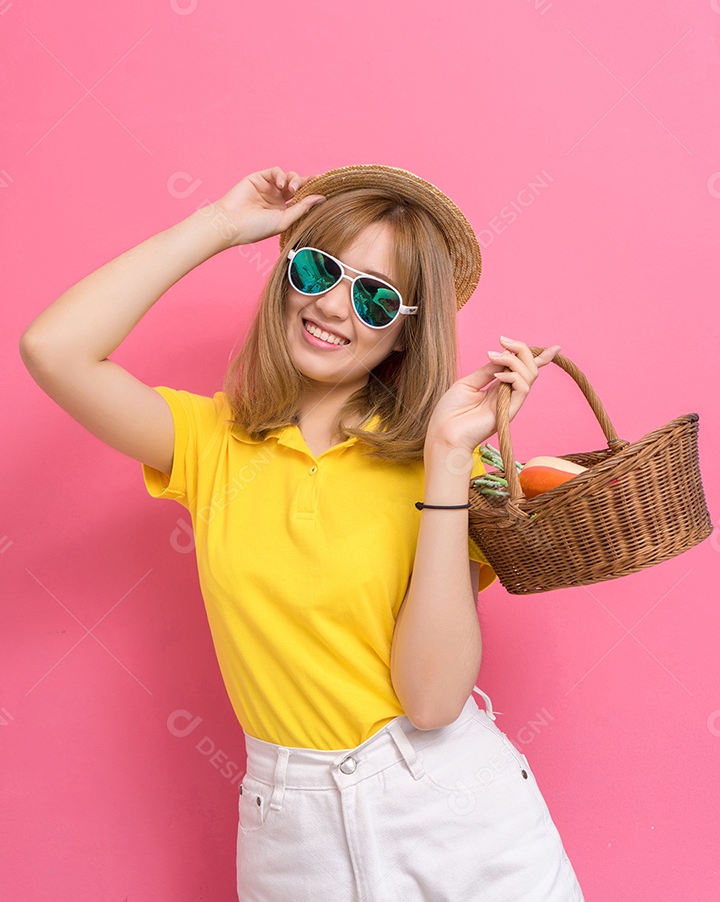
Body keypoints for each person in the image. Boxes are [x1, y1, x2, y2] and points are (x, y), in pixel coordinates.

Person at [19, 164, 585, 901]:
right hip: (292, 831)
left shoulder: (450, 465)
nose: (333, 306)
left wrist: (447, 460)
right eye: (319, 269)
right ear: (289, 273)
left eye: (376, 298)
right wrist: (217, 227)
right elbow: (52, 348)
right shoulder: (211, 441)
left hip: (454, 812)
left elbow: (432, 701)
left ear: (405, 336)